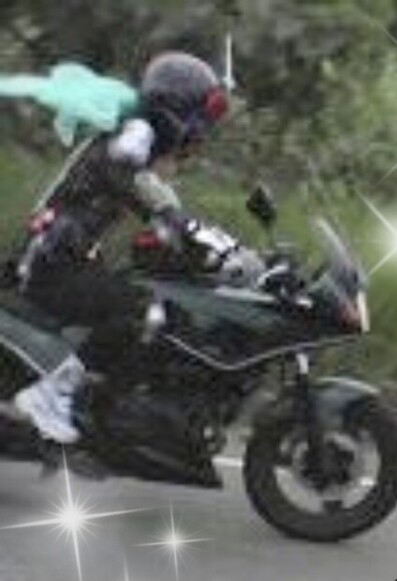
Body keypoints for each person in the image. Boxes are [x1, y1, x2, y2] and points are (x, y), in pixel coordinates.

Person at [10, 51, 235, 446]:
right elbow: (134, 179)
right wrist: (175, 219)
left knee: (158, 302)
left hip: (65, 258)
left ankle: (107, 406)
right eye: (200, 117)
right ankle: (51, 395)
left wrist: (193, 233)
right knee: (142, 311)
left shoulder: (137, 138)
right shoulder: (134, 136)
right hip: (54, 263)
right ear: (175, 108)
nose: (201, 131)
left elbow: (151, 196)